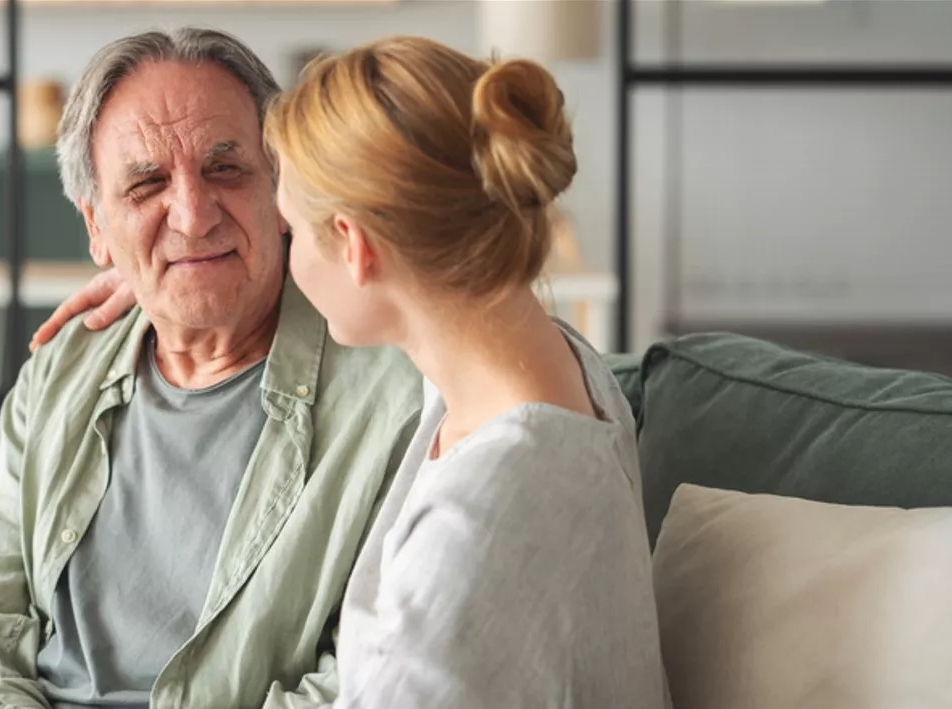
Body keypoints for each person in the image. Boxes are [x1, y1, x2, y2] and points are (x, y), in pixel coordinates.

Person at [37, 35, 670, 708]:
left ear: (355, 249)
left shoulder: (467, 536)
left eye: (290, 229)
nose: (278, 247)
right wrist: (176, 273)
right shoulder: (550, 369)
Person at [0, 28, 422, 709]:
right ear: (96, 227)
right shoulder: (62, 369)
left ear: (280, 188)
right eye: (147, 183)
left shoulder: (396, 392)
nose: (194, 214)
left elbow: (374, 670)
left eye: (225, 168)